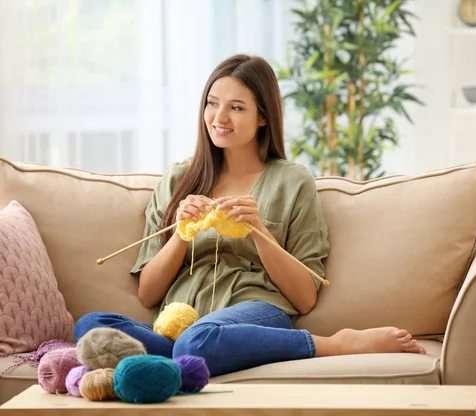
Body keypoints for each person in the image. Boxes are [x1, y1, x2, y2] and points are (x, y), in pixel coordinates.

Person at [74, 54, 426, 377]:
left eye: (236, 107)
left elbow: (305, 297)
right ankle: (190, 357)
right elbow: (149, 295)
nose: (219, 118)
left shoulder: (292, 181)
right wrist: (181, 233)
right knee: (90, 327)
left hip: (256, 312)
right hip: (178, 324)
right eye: (212, 104)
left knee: (197, 342)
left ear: (262, 117)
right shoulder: (179, 180)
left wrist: (258, 230)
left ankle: (335, 344)